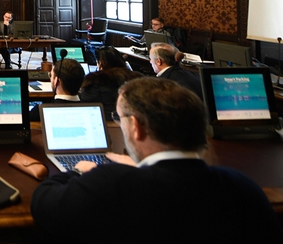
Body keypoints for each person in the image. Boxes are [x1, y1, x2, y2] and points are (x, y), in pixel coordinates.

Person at [30, 77, 283, 242]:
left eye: (120, 118)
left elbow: (43, 202)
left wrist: (80, 171)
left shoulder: (111, 184)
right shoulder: (243, 188)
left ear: (137, 127)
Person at [80, 46, 140, 119]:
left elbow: (84, 102)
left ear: (100, 63)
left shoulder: (95, 81)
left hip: (105, 121)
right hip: (133, 120)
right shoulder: (137, 78)